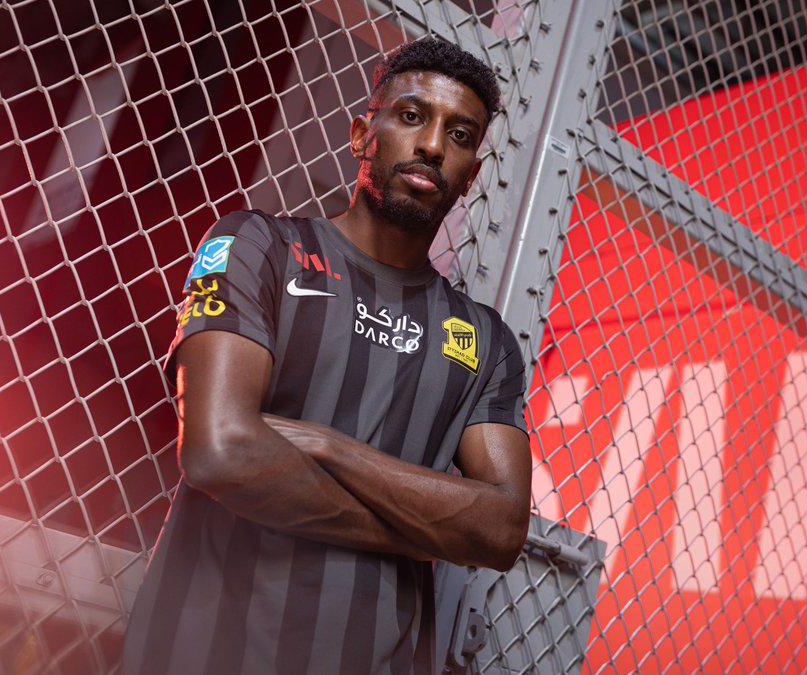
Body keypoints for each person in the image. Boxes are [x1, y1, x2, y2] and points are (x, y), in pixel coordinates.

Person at [121, 38, 531, 674]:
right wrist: (418, 532)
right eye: (412, 116)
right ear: (362, 135)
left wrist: (331, 446)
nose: (432, 146)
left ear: (470, 175)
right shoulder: (258, 247)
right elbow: (218, 450)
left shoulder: (484, 340)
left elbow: (500, 530)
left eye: (459, 135)